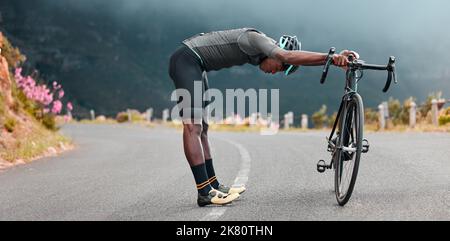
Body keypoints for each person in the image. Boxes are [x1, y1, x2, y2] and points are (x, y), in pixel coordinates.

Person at [168, 28, 359, 207]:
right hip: (186, 60)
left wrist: (335, 59)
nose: (276, 71)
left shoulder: (260, 50)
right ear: (276, 52)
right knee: (193, 128)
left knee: (203, 128)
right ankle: (204, 191)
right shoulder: (257, 39)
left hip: (197, 65)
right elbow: (287, 56)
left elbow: (288, 58)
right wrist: (332, 58)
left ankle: (213, 185)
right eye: (281, 67)